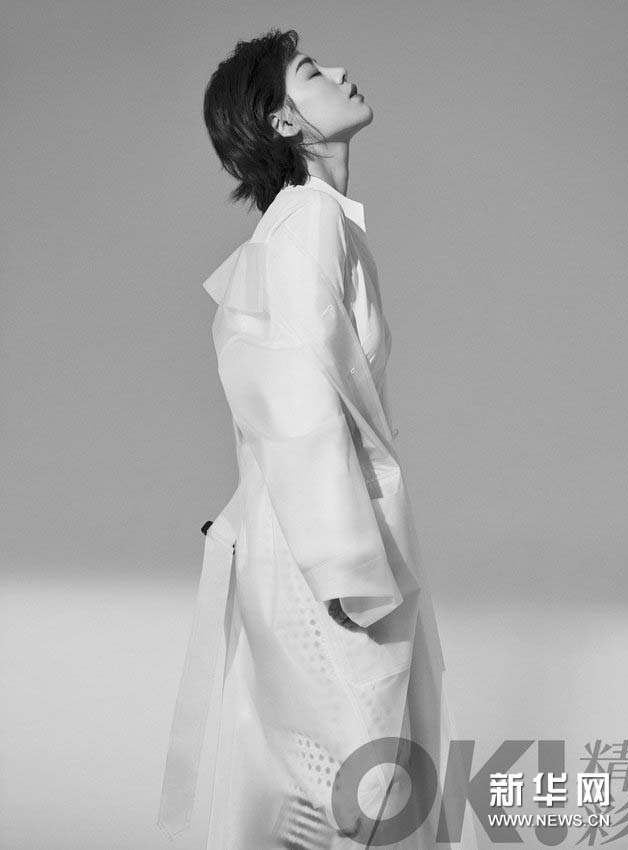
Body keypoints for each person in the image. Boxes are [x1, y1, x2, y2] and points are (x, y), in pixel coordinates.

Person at [158, 28, 478, 850]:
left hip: (321, 538)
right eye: (311, 71)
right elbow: (293, 403)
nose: (340, 70)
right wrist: (346, 568)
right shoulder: (305, 225)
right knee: (358, 779)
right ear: (284, 121)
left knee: (351, 777)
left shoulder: (313, 223)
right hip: (326, 552)